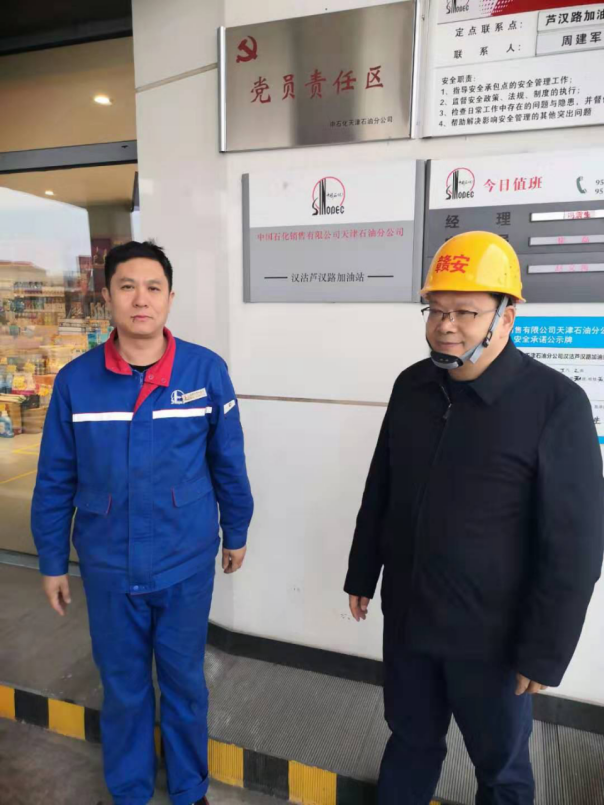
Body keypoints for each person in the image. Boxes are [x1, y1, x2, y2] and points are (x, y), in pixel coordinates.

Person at [345, 231, 603, 805]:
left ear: (506, 318)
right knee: (410, 740)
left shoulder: (555, 405)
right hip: (409, 620)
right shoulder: (412, 387)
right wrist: (363, 571)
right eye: (436, 310)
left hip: (493, 640)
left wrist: (545, 647)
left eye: (465, 312)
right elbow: (381, 486)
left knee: (501, 769)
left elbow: (576, 546)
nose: (446, 326)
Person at [32, 240, 254, 805]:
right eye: (127, 286)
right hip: (108, 566)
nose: (140, 299)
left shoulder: (205, 372)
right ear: (106, 296)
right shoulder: (76, 382)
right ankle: (129, 791)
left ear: (170, 297)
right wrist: (52, 561)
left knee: (183, 682)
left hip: (185, 562)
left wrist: (237, 529)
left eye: (153, 287)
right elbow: (55, 478)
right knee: (124, 687)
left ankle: (189, 790)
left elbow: (228, 460)